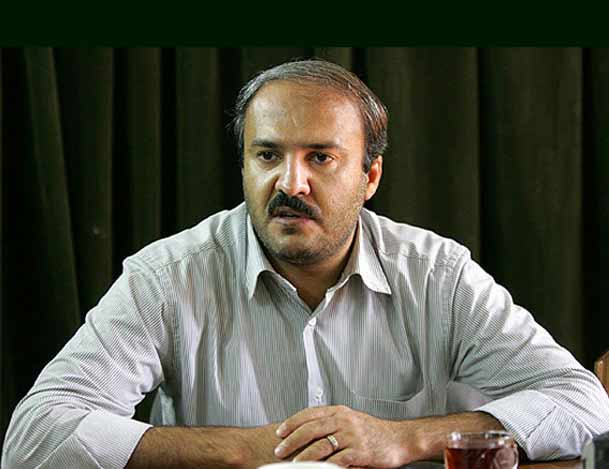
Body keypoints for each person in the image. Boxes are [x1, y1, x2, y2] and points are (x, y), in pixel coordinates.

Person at [2, 58, 609, 469]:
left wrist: (401, 439)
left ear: (370, 176)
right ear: (244, 165)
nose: (290, 183)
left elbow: (583, 401)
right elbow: (36, 435)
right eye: (267, 155)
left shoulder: (437, 274)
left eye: (320, 157)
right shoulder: (167, 277)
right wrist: (255, 449)